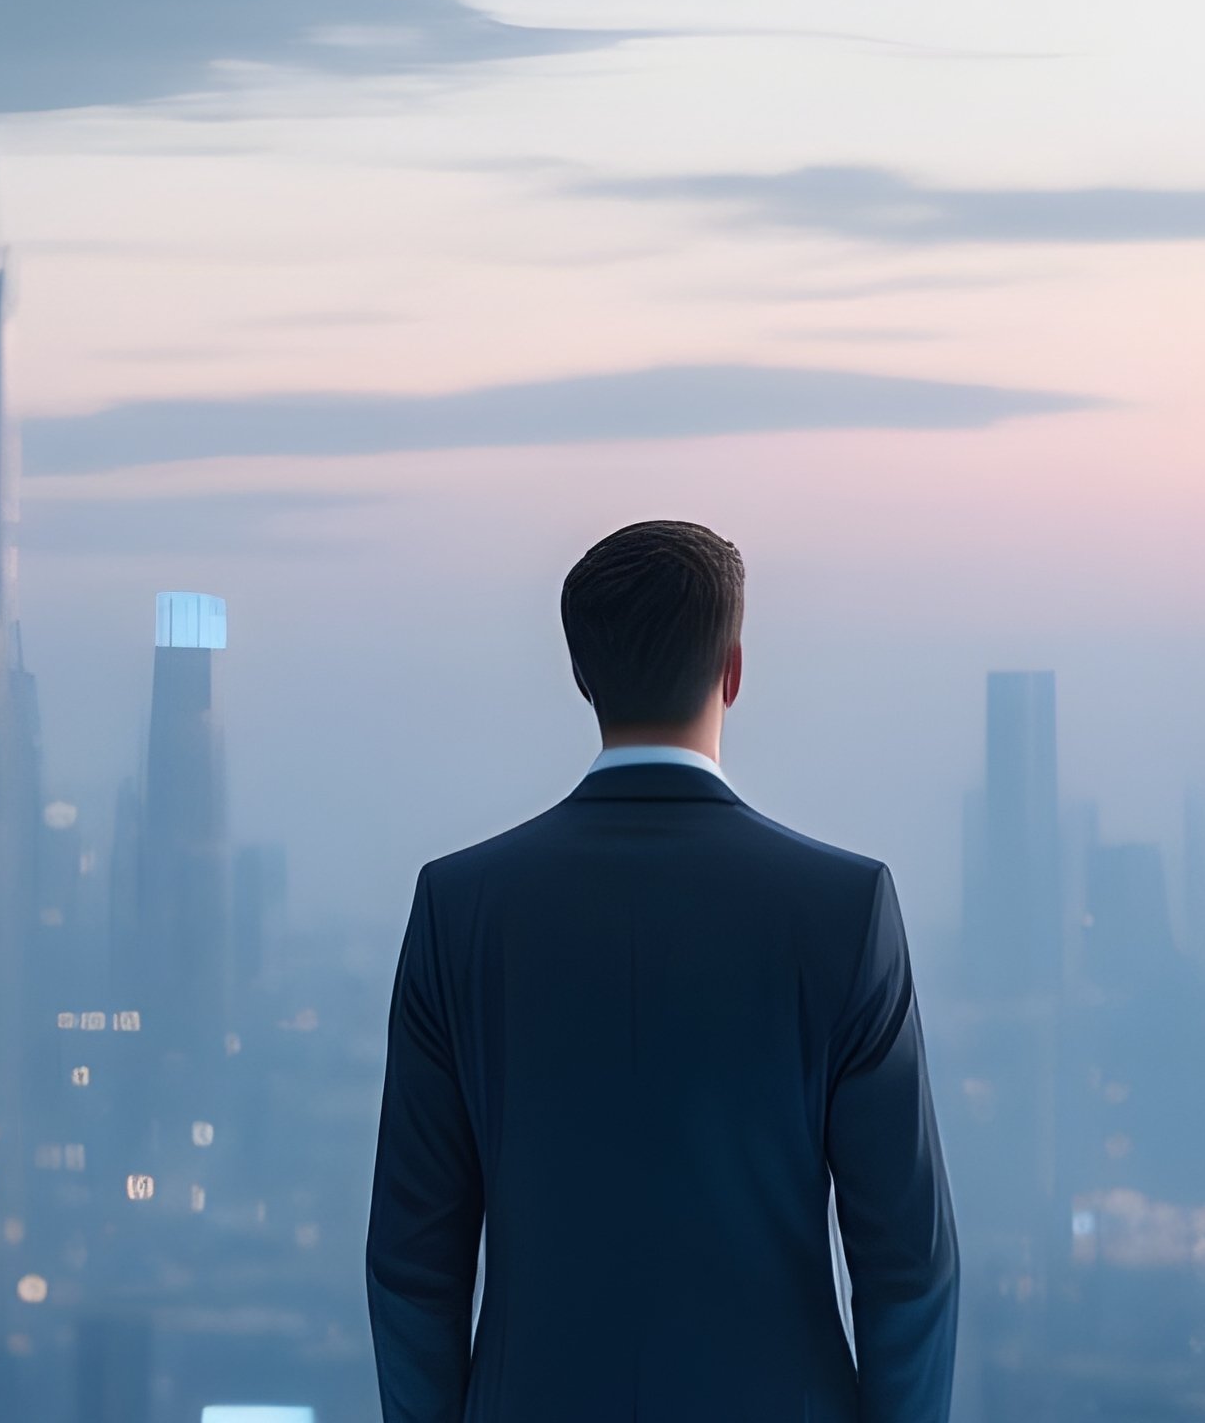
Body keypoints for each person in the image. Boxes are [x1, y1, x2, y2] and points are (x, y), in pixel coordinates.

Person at [366, 520, 957, 1422]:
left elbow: (413, 1269)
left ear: (580, 677)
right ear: (733, 670)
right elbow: (908, 1271)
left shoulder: (461, 909)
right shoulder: (844, 909)